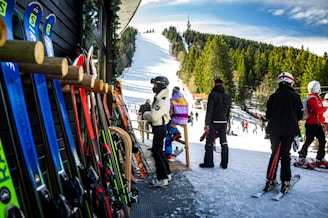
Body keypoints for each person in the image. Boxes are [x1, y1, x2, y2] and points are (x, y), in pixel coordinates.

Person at [263, 72, 303, 194]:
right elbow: (300, 116)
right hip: (289, 130)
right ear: (291, 82)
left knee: (275, 153)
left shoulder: (273, 96)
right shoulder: (295, 96)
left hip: (274, 130)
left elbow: (268, 115)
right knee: (285, 155)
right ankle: (285, 182)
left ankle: (270, 180)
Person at [143, 76, 172, 187]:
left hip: (160, 128)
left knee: (156, 153)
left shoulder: (161, 99)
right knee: (159, 152)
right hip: (161, 128)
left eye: (155, 85)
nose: (154, 87)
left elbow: (154, 116)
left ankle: (162, 178)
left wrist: (146, 114)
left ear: (160, 85)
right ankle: (167, 174)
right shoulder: (161, 97)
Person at [199, 77, 231, 169]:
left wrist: (207, 123)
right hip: (224, 121)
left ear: (215, 84)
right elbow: (228, 111)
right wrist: (227, 121)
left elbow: (210, 110)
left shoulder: (212, 95)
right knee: (224, 142)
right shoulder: (226, 96)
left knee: (209, 141)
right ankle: (224, 163)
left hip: (214, 121)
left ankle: (209, 162)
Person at [296, 80, 327, 167]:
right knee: (310, 140)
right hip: (311, 123)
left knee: (322, 140)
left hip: (316, 123)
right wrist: (325, 108)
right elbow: (317, 110)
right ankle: (302, 156)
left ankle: (320, 158)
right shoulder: (313, 98)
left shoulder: (316, 97)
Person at [165, 87, 189, 159]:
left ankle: (168, 154)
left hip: (176, 119)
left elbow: (170, 111)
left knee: (168, 137)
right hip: (184, 119)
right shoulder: (184, 100)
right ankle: (177, 133)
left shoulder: (172, 100)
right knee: (172, 126)